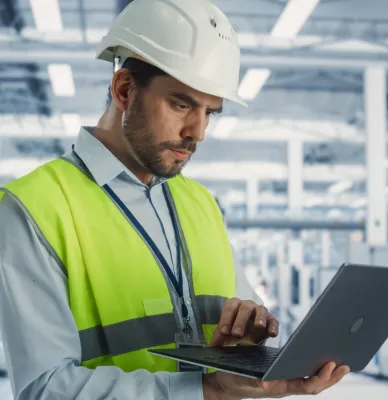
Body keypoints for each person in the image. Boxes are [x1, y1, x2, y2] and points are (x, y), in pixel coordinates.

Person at [0, 0, 350, 399]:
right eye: (181, 104)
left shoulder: (201, 204)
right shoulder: (33, 207)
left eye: (209, 113)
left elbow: (242, 324)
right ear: (125, 90)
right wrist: (203, 390)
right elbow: (43, 389)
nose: (197, 132)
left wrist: (252, 331)